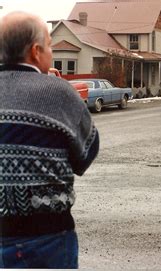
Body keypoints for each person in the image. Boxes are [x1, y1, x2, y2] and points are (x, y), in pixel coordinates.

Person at [0, 12, 99, 268]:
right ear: (35, 51)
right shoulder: (59, 93)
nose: (51, 51)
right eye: (50, 45)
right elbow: (85, 155)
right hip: (48, 239)